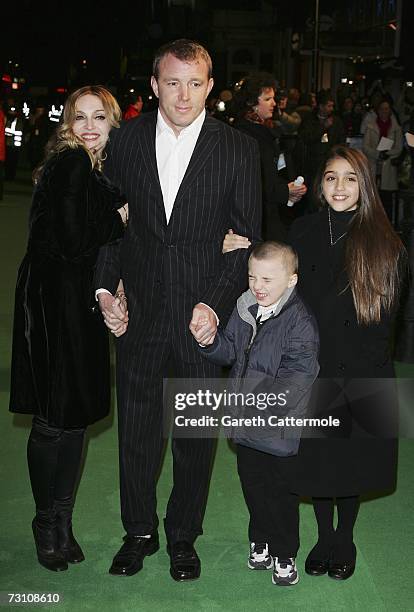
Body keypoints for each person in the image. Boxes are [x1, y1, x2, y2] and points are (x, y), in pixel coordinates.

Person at [95, 39, 262, 581]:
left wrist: (214, 304)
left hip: (201, 317)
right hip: (140, 311)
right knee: (138, 432)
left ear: (210, 87)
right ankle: (137, 531)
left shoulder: (237, 149)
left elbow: (246, 241)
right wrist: (106, 289)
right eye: (172, 82)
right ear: (153, 84)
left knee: (194, 436)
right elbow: (110, 231)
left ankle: (183, 534)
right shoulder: (127, 143)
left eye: (195, 83)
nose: (183, 94)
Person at [223, 145, 405, 581]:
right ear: (319, 185)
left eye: (349, 178)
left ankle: (345, 538)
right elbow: (272, 272)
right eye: (330, 177)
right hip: (310, 368)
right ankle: (323, 536)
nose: (339, 186)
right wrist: (238, 244)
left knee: (350, 460)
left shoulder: (386, 242)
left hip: (361, 370)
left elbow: (389, 322)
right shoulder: (302, 231)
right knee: (317, 460)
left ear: (365, 185)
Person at [8, 86, 129, 572]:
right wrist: (118, 221)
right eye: (80, 117)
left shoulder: (90, 167)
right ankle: (45, 522)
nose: (90, 126)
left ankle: (61, 519)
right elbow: (75, 239)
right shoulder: (73, 162)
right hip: (53, 301)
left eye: (99, 117)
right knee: (53, 417)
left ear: (112, 121)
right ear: (67, 123)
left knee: (72, 415)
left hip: (74, 299)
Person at [192, 241, 319, 587]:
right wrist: (209, 342)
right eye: (252, 277)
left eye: (267, 279)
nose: (258, 287)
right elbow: (231, 349)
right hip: (244, 429)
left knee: (280, 495)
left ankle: (285, 553)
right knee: (253, 488)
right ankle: (259, 540)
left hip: (278, 432)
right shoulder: (245, 305)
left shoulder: (300, 323)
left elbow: (297, 380)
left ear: (291, 281)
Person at [231, 73, 307, 240]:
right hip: (255, 219)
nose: (274, 103)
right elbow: (251, 184)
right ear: (252, 103)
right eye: (267, 99)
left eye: (273, 98)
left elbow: (274, 171)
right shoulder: (244, 135)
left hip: (271, 214)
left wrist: (289, 188)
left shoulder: (267, 130)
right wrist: (285, 191)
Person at [363, 99, 403, 223]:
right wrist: (377, 154)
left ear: (390, 111)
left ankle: (387, 224)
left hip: (388, 167)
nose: (384, 111)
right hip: (374, 165)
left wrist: (387, 153)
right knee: (373, 197)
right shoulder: (370, 126)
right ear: (378, 111)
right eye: (382, 109)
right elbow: (366, 146)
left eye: (387, 109)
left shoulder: (396, 128)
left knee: (387, 199)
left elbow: (399, 148)